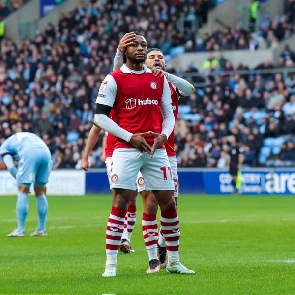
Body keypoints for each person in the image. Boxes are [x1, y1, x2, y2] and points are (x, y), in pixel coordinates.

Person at [81, 32, 194, 277]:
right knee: (121, 202)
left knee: (170, 203)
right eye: (135, 45)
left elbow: (168, 114)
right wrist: (130, 136)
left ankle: (173, 262)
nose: (141, 48)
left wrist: (164, 134)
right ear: (125, 51)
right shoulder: (113, 79)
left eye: (144, 44)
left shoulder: (160, 80)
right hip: (125, 149)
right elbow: (99, 118)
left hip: (157, 149)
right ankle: (110, 265)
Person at [0, 132, 52, 237]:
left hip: (30, 152)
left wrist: (21, 181)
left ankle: (20, 230)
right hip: (46, 152)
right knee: (40, 192)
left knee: (22, 192)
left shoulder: (3, 147)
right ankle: (41, 229)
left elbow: (10, 167)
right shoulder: (20, 137)